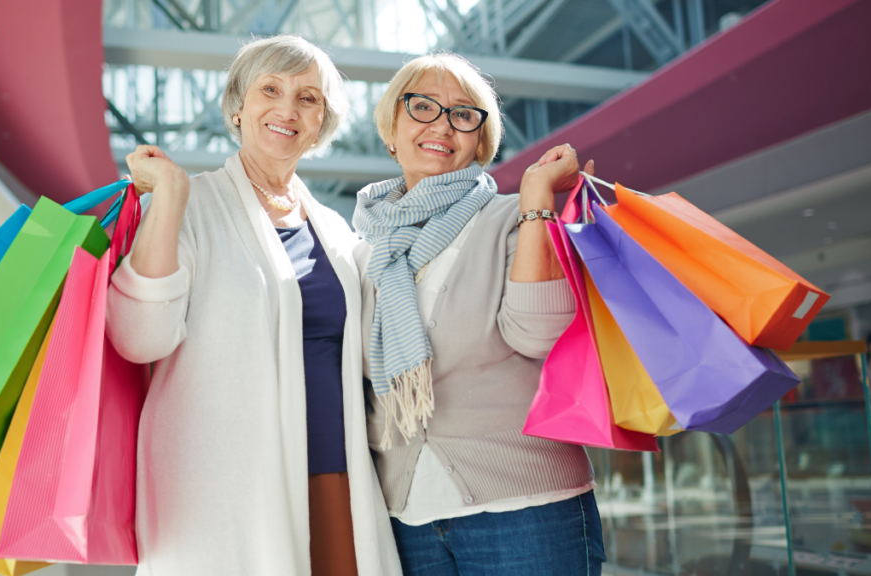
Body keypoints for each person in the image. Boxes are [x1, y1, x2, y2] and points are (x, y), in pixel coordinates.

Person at [106, 35, 401, 576]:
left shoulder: (335, 230)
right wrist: (168, 194)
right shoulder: (188, 207)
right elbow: (138, 337)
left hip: (334, 477)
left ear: (321, 123)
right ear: (239, 107)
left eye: (308, 98)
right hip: (226, 494)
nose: (287, 109)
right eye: (271, 89)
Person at [353, 52, 606, 575]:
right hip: (407, 516)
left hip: (525, 510)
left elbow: (539, 334)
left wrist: (536, 201)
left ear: (479, 142)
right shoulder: (363, 249)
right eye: (422, 106)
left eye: (464, 115)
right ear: (391, 128)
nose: (441, 125)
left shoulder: (511, 220)